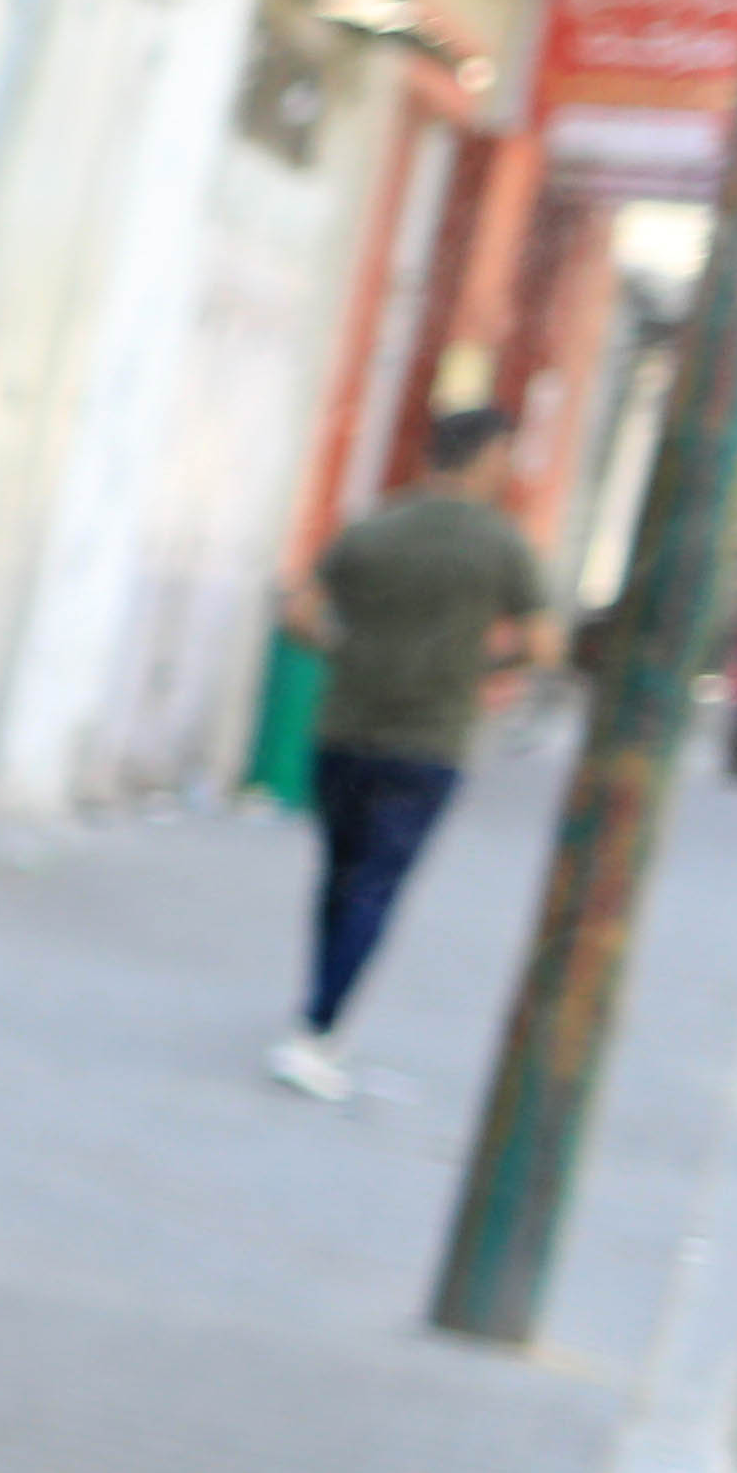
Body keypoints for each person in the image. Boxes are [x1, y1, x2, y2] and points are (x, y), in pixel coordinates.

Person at [269, 409, 555, 1097]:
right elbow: (545, 646)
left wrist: (348, 651)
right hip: (430, 740)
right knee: (377, 882)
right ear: (490, 458)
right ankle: (319, 1025)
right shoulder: (501, 544)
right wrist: (478, 665)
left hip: (345, 726)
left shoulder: (373, 528)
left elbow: (300, 613)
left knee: (340, 875)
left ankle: (320, 1007)